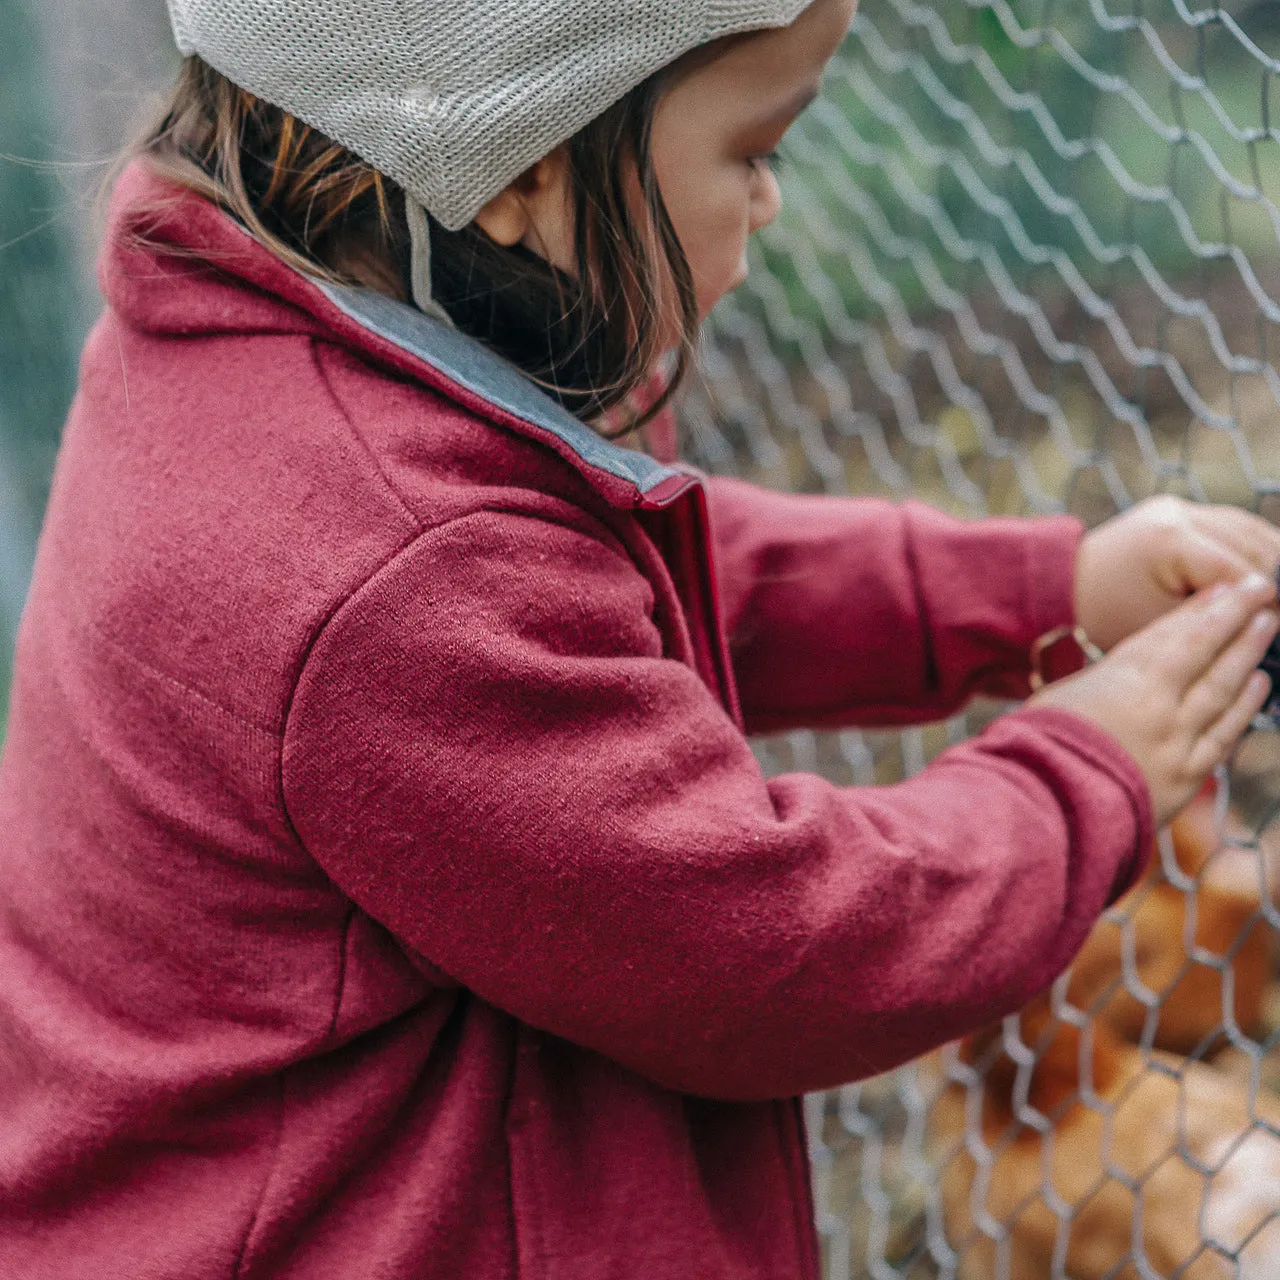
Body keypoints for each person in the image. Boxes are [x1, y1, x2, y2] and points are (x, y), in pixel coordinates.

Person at [2, 0, 1278, 1276]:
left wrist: (1041, 587)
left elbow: (612, 599)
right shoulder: (392, 575)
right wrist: (1086, 767)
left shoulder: (265, 359)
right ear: (523, 165)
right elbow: (786, 948)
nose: (771, 203)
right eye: (754, 151)